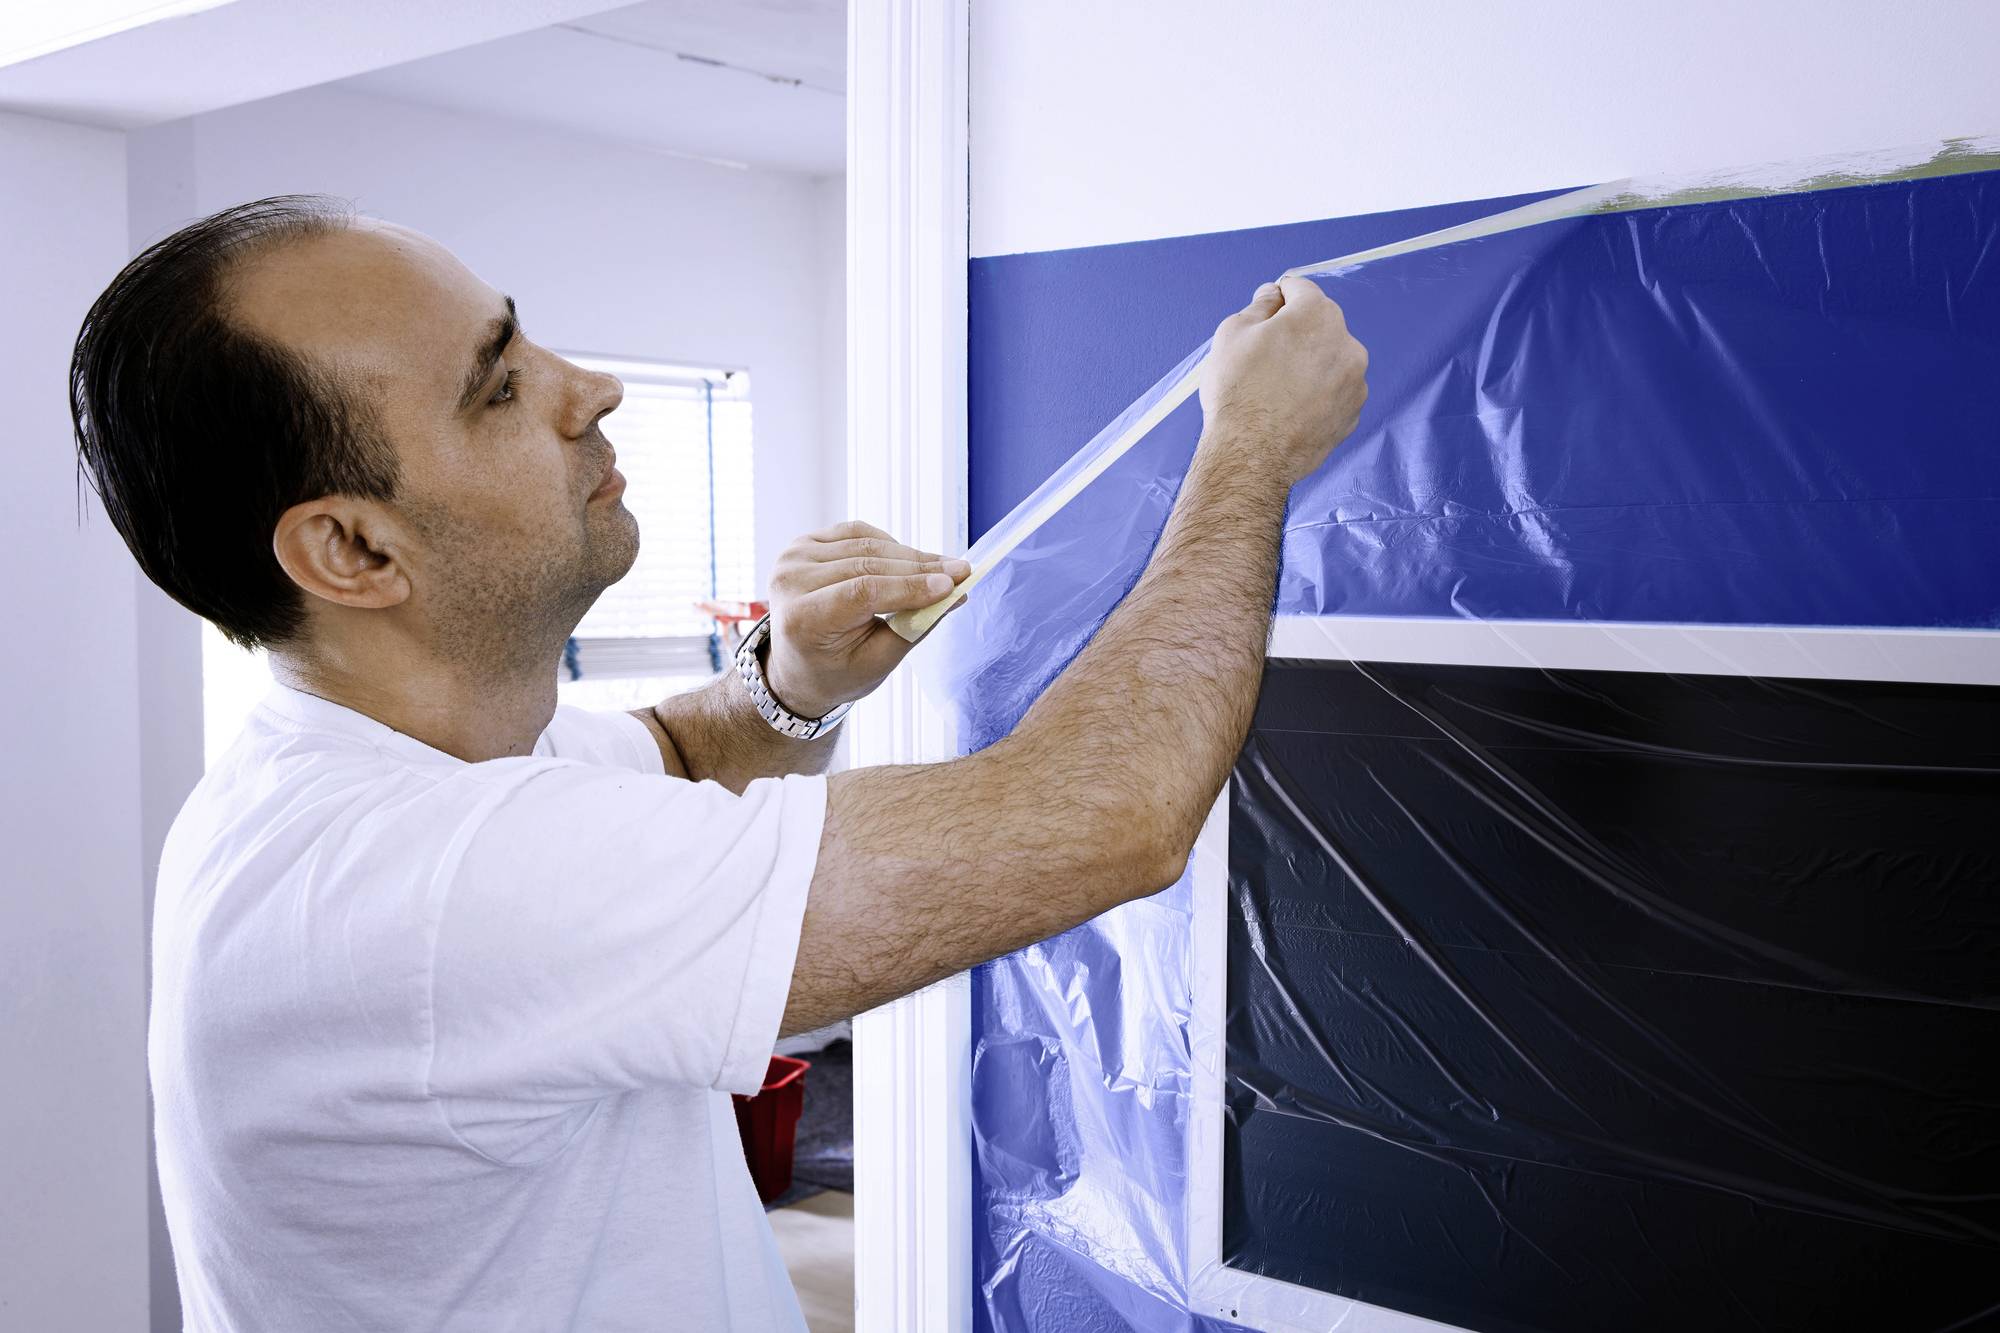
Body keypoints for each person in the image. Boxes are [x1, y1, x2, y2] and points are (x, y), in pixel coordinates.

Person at [70, 195, 1368, 1331]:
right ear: (353, 551)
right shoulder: (421, 885)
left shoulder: (377, 771)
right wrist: (1252, 449)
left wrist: (791, 681)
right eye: (500, 388)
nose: (592, 387)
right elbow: (1105, 817)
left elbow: (677, 756)